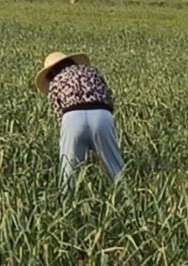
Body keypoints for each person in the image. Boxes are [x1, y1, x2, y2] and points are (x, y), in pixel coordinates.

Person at [34, 52, 125, 188]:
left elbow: (59, 114)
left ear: (51, 71)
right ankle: (125, 195)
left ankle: (68, 198)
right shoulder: (92, 71)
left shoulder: (55, 81)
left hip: (72, 116)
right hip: (102, 114)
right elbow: (108, 98)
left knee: (69, 171)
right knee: (115, 168)